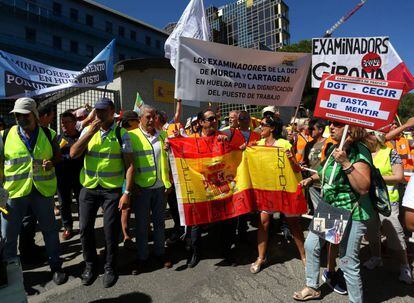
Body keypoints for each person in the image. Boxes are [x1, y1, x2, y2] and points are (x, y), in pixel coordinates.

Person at [294, 122, 374, 302]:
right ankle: (312, 287)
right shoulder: (335, 148)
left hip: (352, 211)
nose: (331, 126)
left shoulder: (360, 151)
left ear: (351, 128)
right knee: (311, 245)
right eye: (331, 123)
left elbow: (363, 188)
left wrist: (346, 162)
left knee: (347, 262)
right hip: (332, 208)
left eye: (337, 124)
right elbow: (324, 172)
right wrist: (311, 179)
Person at [1, 97, 67, 285]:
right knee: (9, 236)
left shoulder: (48, 134)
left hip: (42, 191)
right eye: (17, 116)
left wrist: (52, 162)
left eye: (24, 115)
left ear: (35, 115)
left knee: (50, 231)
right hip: (13, 193)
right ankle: (11, 275)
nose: (20, 119)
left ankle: (56, 267)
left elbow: (58, 156)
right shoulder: (4, 136)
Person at [70, 97, 134, 288]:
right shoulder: (88, 131)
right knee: (84, 229)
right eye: (97, 111)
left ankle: (110, 267)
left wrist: (127, 192)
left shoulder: (122, 134)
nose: (99, 114)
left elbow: (130, 165)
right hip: (89, 187)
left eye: (103, 111)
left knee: (109, 230)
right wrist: (90, 132)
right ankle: (90, 265)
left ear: (112, 111)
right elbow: (73, 153)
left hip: (111, 190)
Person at [250, 115, 305, 274]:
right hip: (267, 191)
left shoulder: (284, 144)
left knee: (293, 223)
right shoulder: (258, 144)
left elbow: (296, 170)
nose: (260, 128)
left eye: (263, 125)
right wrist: (247, 150)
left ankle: (303, 255)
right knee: (263, 223)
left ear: (272, 128)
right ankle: (261, 257)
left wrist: (291, 159)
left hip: (284, 190)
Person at [363, 130, 412, 284]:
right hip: (369, 200)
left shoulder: (391, 153)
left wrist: (375, 178)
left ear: (376, 137)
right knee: (372, 231)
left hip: (388, 202)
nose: (366, 137)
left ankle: (405, 266)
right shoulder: (364, 154)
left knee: (394, 233)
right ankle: (376, 257)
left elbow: (399, 177)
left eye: (369, 134)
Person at [129, 105, 172, 274]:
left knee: (160, 223)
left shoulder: (163, 135)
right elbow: (128, 163)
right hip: (142, 189)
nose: (151, 120)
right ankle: (142, 257)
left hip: (161, 188)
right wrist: (132, 187)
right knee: (141, 225)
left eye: (154, 116)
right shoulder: (132, 136)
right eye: (148, 117)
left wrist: (168, 183)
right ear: (140, 118)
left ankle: (160, 253)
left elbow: (169, 160)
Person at [55, 110, 83, 241]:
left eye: (67, 122)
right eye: (62, 123)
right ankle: (68, 228)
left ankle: (84, 226)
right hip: (62, 177)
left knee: (81, 203)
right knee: (63, 204)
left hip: (79, 176)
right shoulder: (58, 138)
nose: (64, 125)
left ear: (75, 123)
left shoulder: (81, 137)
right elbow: (54, 157)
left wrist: (65, 157)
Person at [119, 110, 140, 248]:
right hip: (126, 175)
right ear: (130, 122)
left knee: (135, 205)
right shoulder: (124, 135)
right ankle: (126, 235)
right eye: (136, 120)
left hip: (136, 174)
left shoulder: (135, 134)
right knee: (126, 207)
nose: (139, 122)